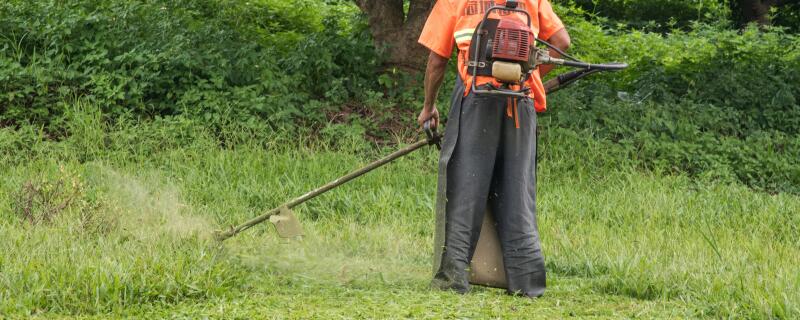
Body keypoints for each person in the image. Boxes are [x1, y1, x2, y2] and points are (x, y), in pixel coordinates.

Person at [416, 0, 570, 297]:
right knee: (518, 190)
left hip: (476, 98)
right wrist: (526, 74)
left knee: (465, 192)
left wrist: (428, 107)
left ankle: (453, 279)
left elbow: (437, 61)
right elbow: (562, 42)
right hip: (520, 101)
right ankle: (527, 283)